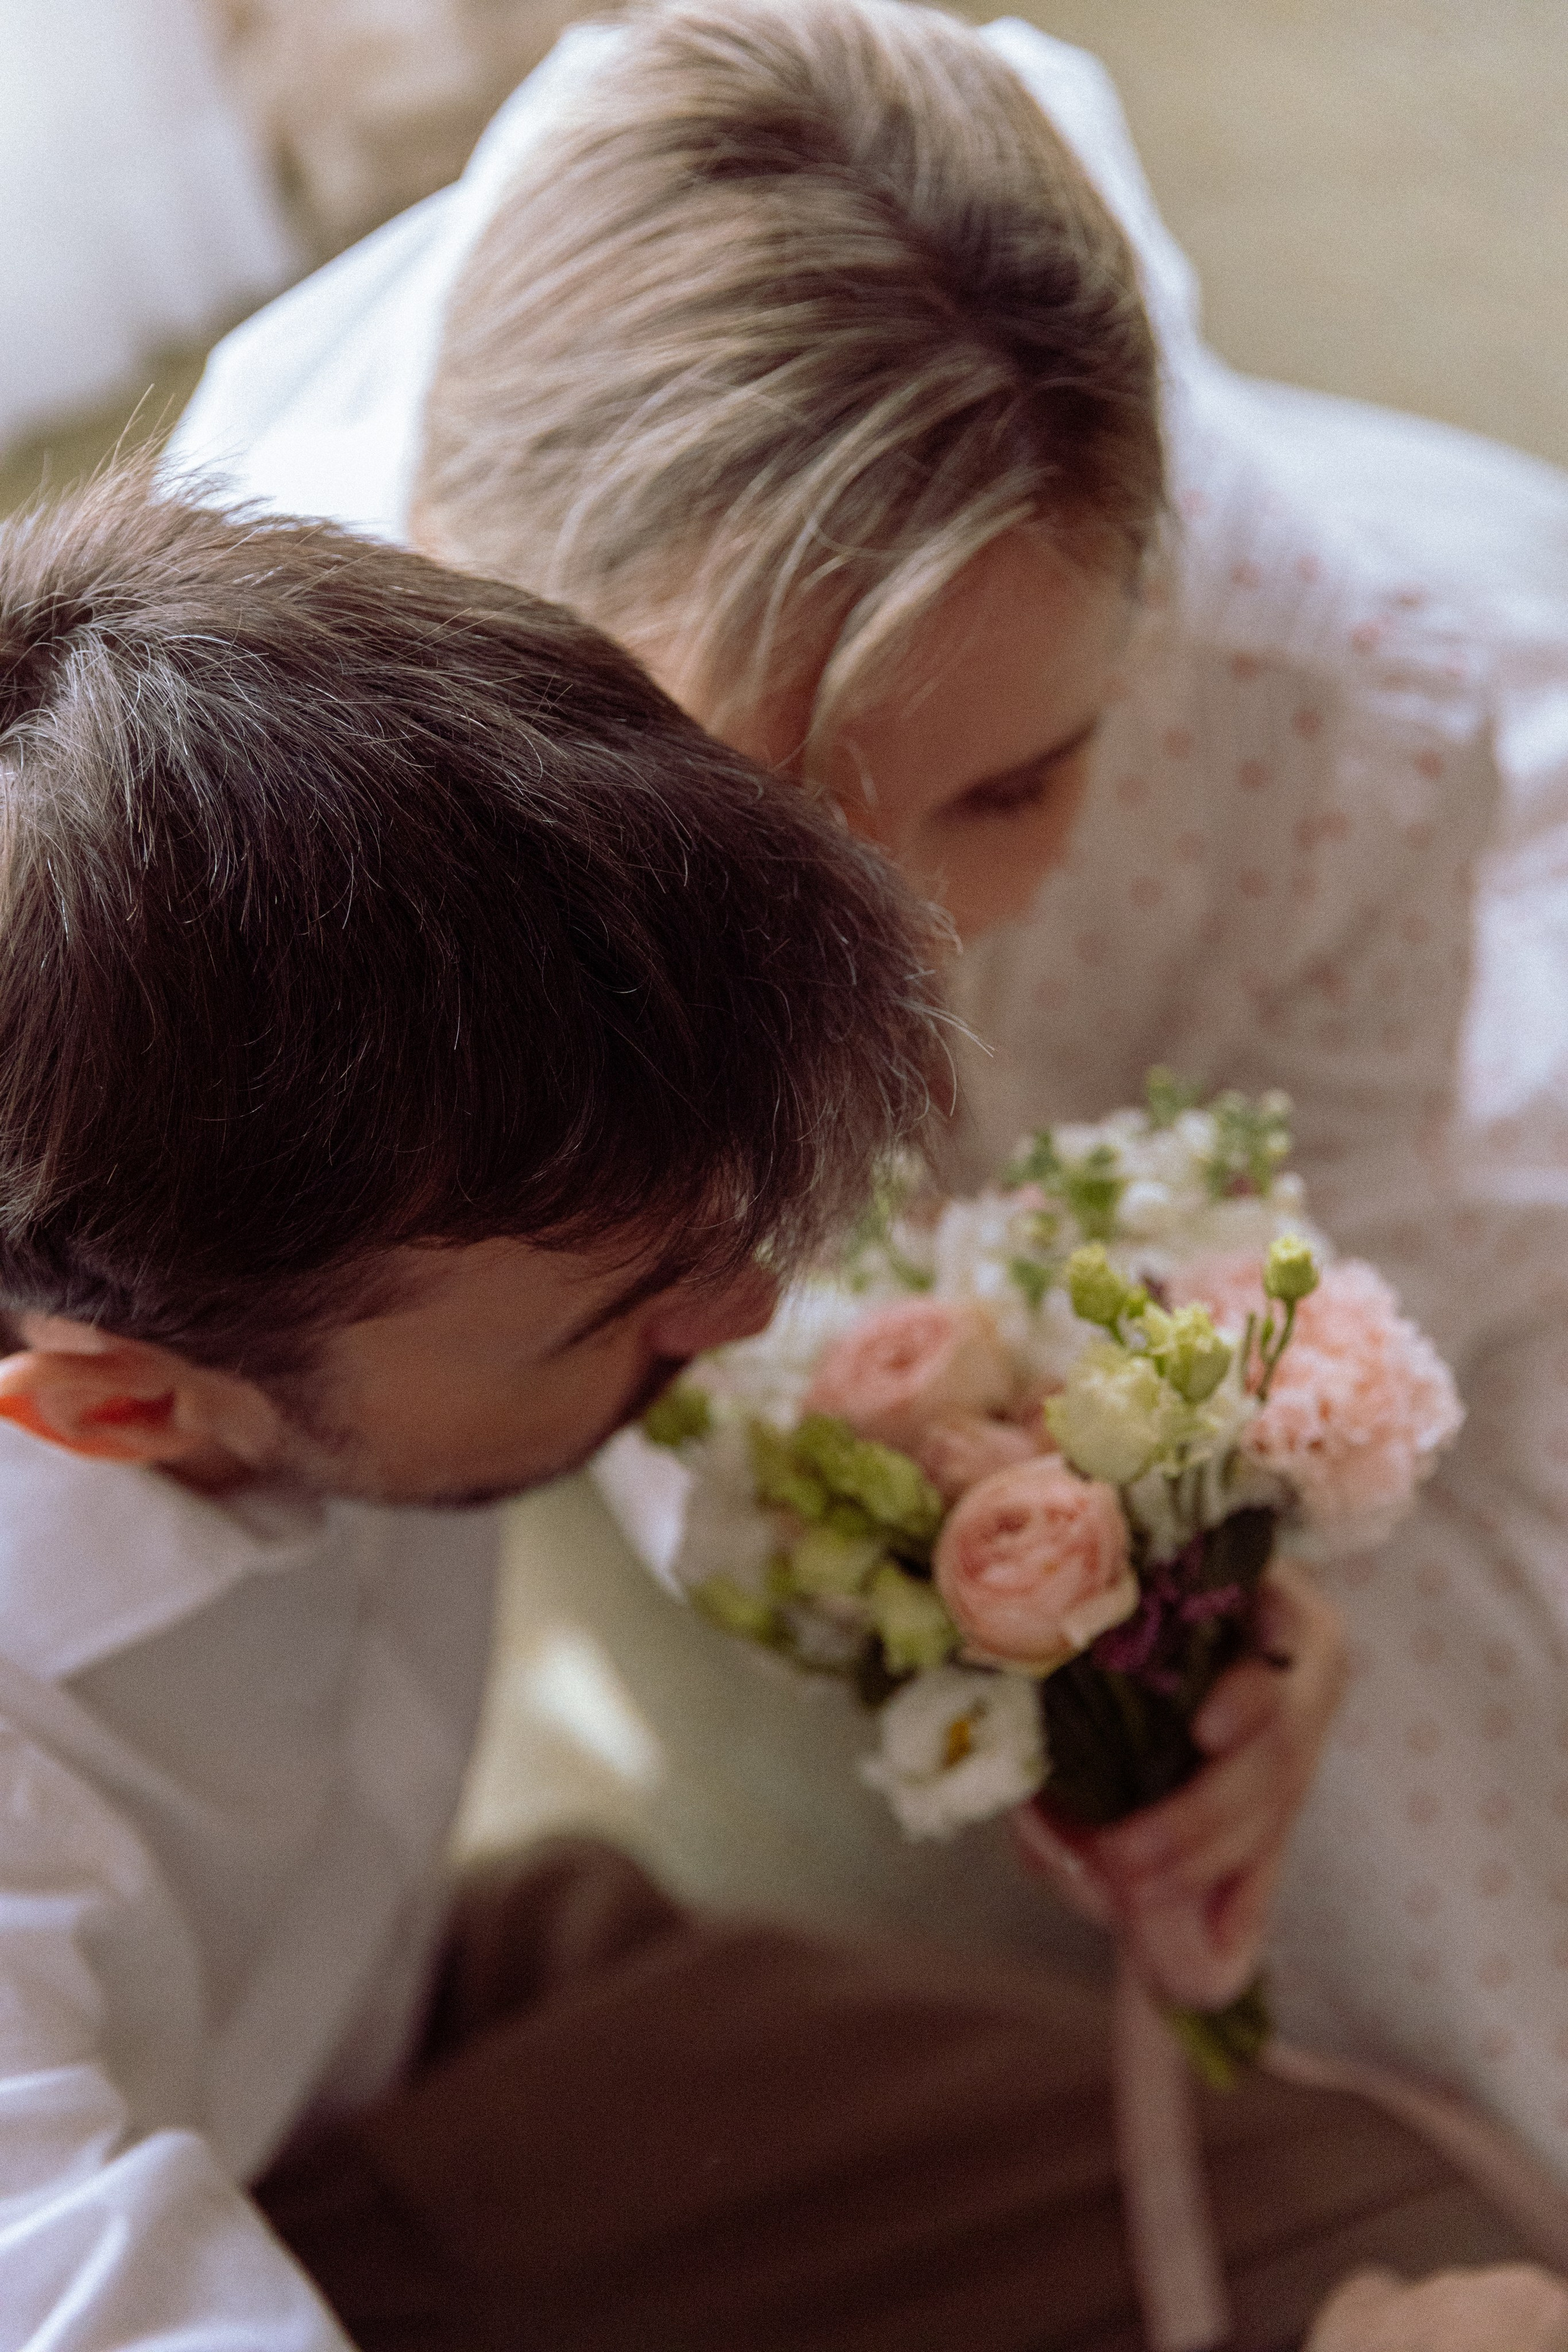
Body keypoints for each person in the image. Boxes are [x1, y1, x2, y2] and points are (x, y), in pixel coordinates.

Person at [169, 0, 1568, 2187]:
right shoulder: (312, 798)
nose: (904, 966)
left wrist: (1236, 1531)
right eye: (772, 824)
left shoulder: (1333, 697)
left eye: (1017, 782)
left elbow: (1335, 1179)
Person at [0, 475, 1548, 2352]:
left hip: (401, 2008)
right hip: (229, 2209)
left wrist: (1105, 1580)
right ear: (121, 1410)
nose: (744, 1312)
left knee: (1442, 2228)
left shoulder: (281, 810)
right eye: (615, 1308)